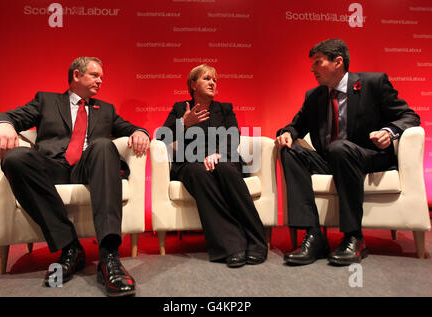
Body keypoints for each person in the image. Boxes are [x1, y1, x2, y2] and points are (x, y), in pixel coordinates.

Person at [0, 57, 150, 296]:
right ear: (76, 75)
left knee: (104, 145)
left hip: (88, 166)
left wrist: (140, 132)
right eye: (94, 75)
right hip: (52, 166)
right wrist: (1, 125)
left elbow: (128, 127)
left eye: (101, 77)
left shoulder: (106, 109)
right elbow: (11, 116)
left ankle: (109, 256)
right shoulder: (46, 100)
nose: (100, 81)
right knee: (15, 158)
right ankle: (70, 247)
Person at [275, 39, 420, 266]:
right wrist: (287, 134)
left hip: (368, 157)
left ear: (338, 62)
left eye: (318, 62)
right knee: (289, 151)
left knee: (339, 148)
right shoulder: (315, 96)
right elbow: (296, 125)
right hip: (331, 158)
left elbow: (409, 117)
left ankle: (354, 237)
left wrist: (388, 131)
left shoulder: (373, 83)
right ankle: (313, 235)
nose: (312, 69)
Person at [157, 64, 267, 268]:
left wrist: (220, 154)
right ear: (193, 84)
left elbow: (234, 136)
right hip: (190, 162)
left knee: (225, 168)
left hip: (223, 158)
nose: (212, 83)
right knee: (198, 172)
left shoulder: (225, 109)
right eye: (206, 78)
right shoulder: (180, 108)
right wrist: (184, 124)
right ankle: (231, 246)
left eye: (214, 80)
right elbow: (161, 138)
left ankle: (256, 241)